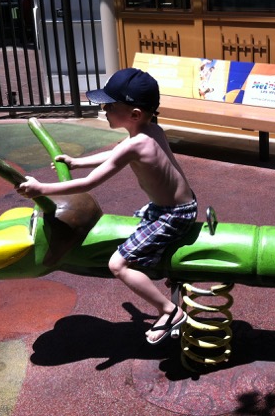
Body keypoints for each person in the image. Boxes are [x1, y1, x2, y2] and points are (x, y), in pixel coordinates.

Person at [17, 68, 198, 345]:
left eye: (110, 105)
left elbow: (88, 184)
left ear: (135, 114)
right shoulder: (150, 130)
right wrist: (77, 162)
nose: (104, 109)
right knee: (136, 229)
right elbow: (116, 153)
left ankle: (169, 311)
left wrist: (41, 189)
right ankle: (158, 266)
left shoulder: (136, 144)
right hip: (176, 205)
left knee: (118, 263)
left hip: (173, 215)